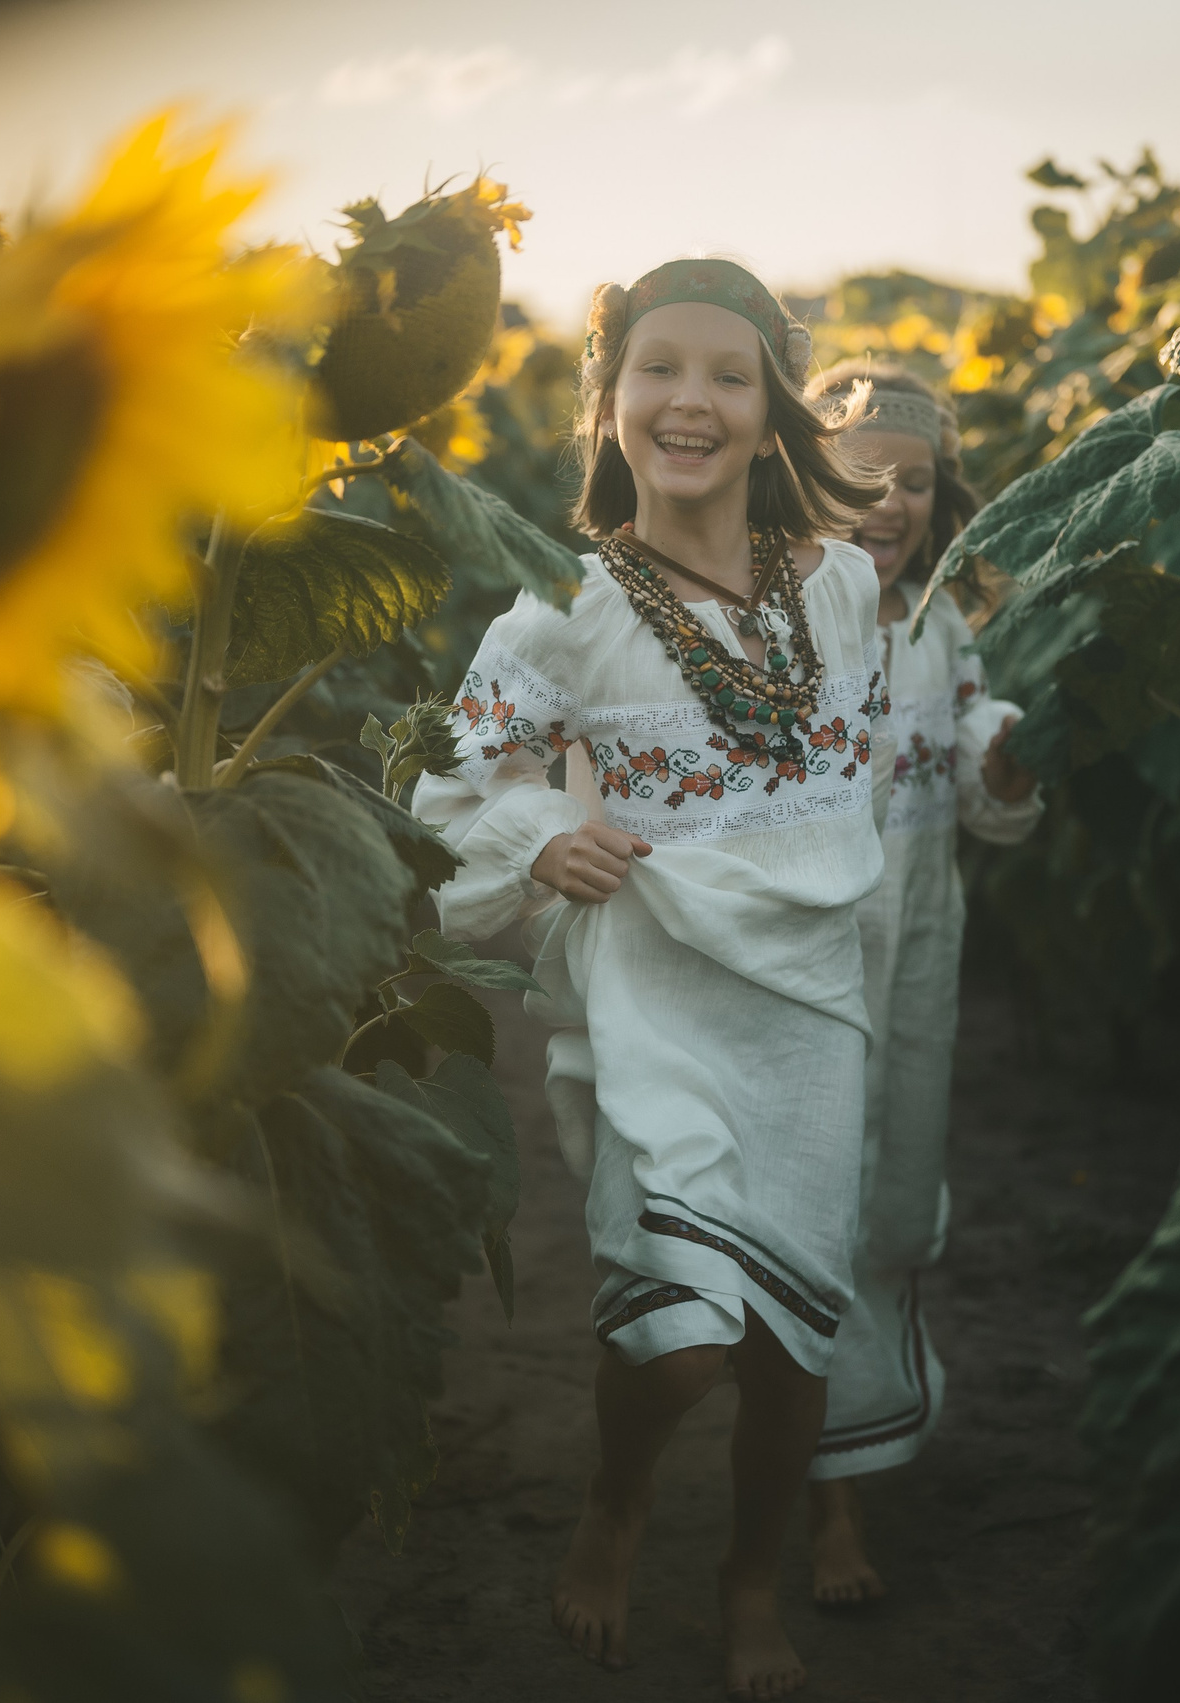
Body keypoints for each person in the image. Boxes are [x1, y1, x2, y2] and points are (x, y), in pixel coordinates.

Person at [414, 259, 892, 1700]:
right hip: (653, 999)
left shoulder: (842, 583)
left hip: (808, 1006)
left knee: (793, 1338)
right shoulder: (561, 604)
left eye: (728, 375)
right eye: (657, 369)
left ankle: (750, 1576)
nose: (690, 400)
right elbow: (453, 796)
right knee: (683, 1341)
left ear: (772, 411)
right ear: (608, 400)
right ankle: (616, 1502)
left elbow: (848, 778)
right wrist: (545, 838)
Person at [797, 360, 1041, 1605]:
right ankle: (827, 1495)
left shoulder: (943, 626)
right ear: (807, 482)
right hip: (808, 960)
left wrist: (1006, 763)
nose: (886, 502)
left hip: (920, 955)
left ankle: (854, 1420)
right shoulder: (781, 619)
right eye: (858, 477)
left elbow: (983, 790)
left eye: (913, 481)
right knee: (820, 1197)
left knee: (895, 1191)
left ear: (942, 500)